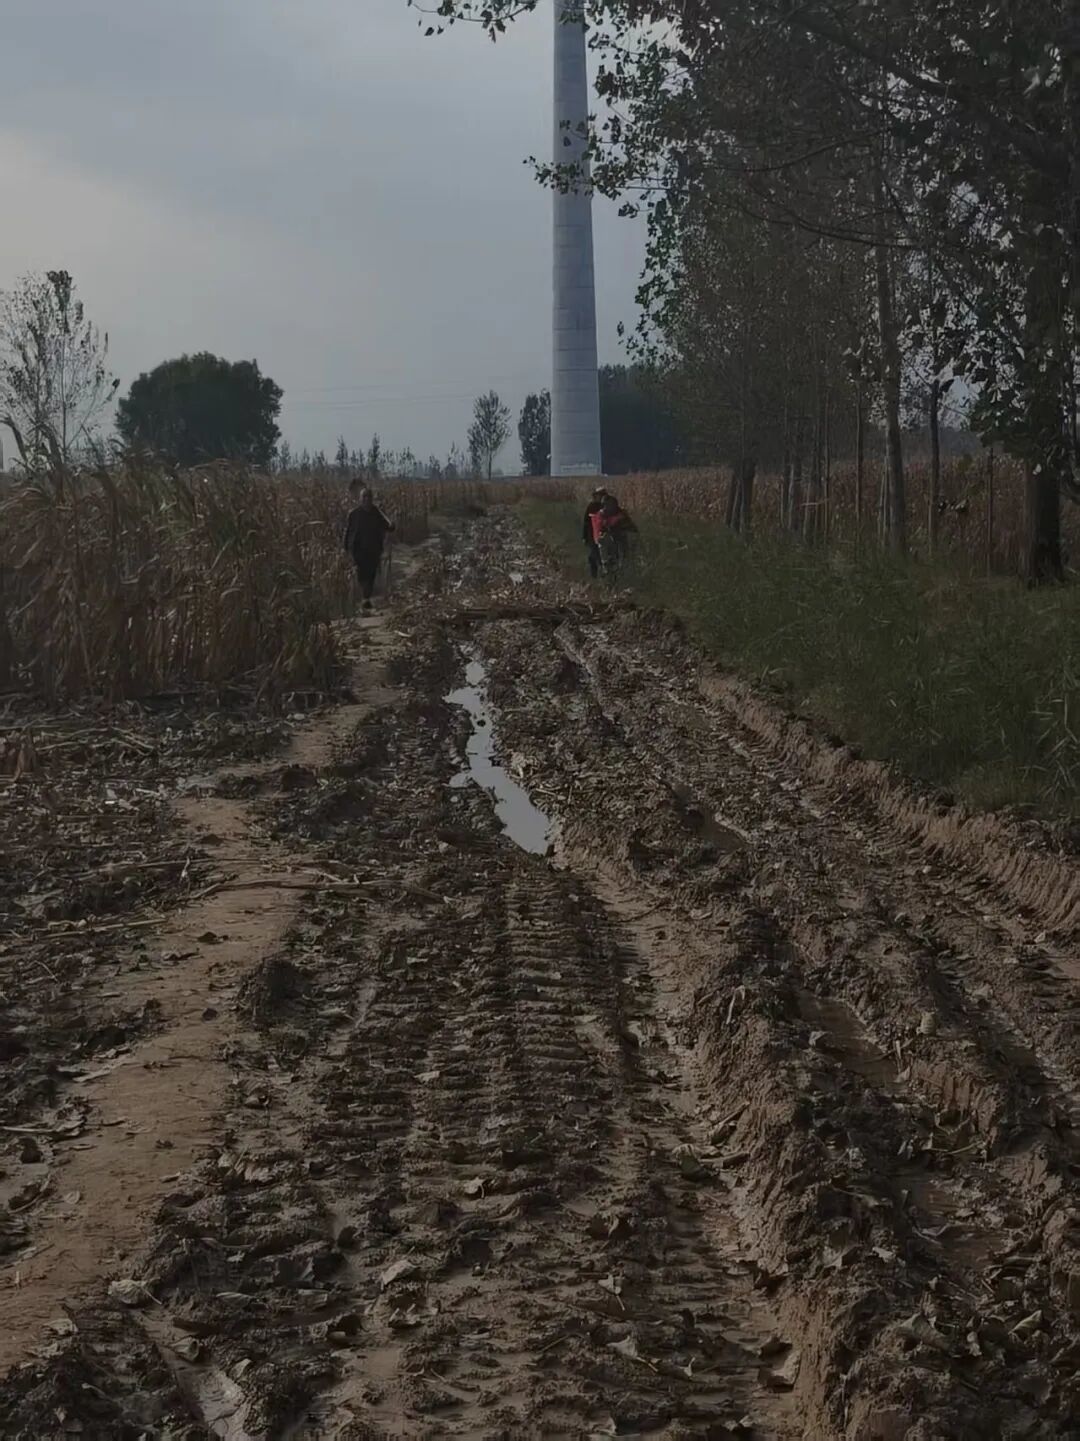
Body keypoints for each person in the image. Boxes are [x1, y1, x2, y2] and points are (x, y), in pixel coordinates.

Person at [344, 484, 395, 611]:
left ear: (372, 499)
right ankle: (364, 597)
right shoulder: (354, 514)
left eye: (369, 497)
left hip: (374, 549)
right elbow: (348, 532)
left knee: (371, 574)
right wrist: (345, 547)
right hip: (358, 550)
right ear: (360, 499)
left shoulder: (376, 513)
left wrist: (392, 526)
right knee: (362, 574)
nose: (367, 500)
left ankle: (366, 598)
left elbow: (387, 526)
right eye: (364, 497)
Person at [583, 485, 619, 579]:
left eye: (600, 495)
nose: (599, 497)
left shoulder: (608, 506)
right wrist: (585, 536)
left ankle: (605, 578)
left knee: (602, 558)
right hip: (593, 535)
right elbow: (586, 522)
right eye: (598, 495)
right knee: (593, 557)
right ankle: (596, 577)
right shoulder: (592, 506)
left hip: (603, 536)